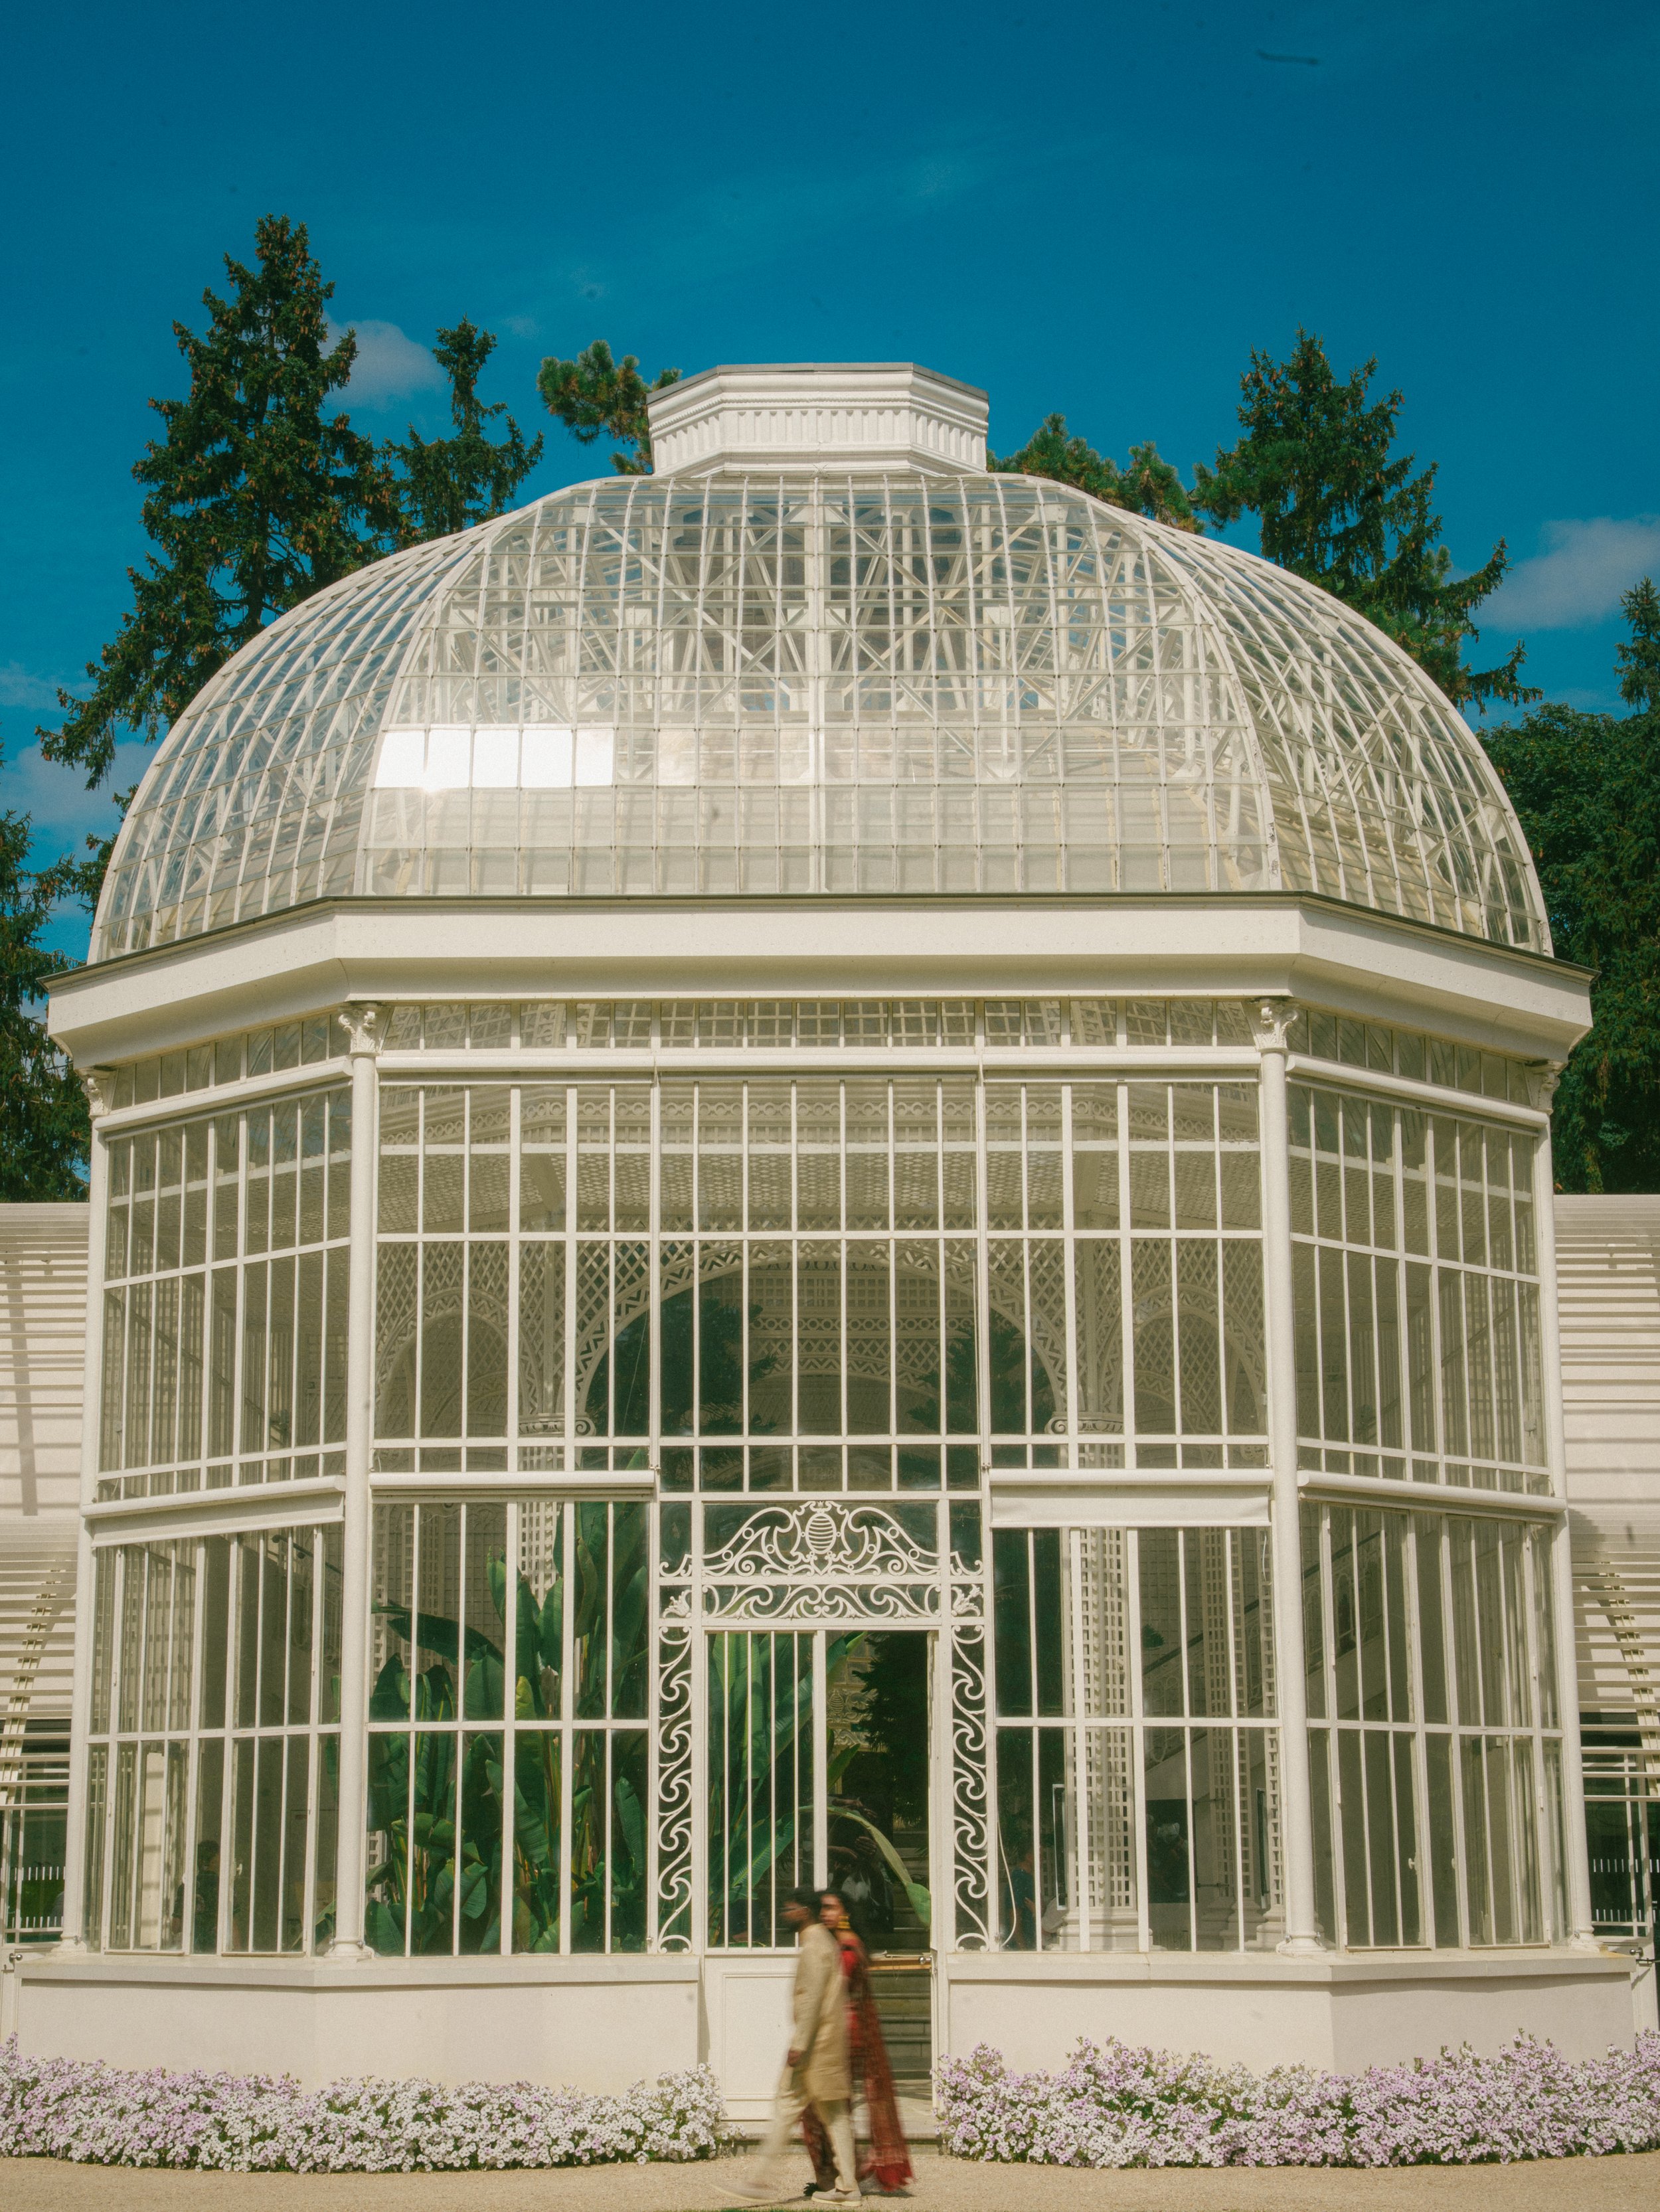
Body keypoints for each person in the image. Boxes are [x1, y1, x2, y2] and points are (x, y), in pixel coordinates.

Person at [737, 1888, 859, 2205]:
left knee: (788, 2107)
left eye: (789, 1909)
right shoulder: (821, 1941)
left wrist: (799, 2044)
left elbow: (812, 2000)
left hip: (814, 2048)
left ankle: (758, 2181)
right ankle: (848, 2187)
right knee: (834, 2116)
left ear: (804, 1911)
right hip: (824, 2045)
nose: (785, 1914)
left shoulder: (815, 1945)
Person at [801, 1890, 914, 2197]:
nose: (825, 1914)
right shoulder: (841, 1943)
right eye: (822, 1909)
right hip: (842, 2032)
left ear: (845, 1912)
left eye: (831, 1908)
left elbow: (833, 1990)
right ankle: (840, 2176)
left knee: (828, 2107)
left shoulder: (848, 1947)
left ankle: (842, 2179)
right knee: (829, 2108)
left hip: (844, 2035)